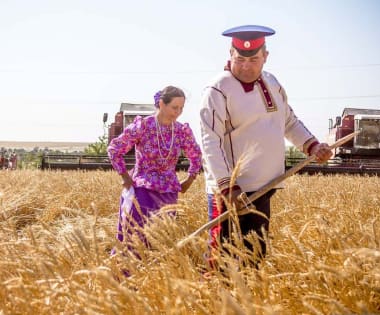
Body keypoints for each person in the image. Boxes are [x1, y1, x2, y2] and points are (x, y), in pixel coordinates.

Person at [199, 25, 332, 268]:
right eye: (239, 59)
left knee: (255, 261)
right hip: (231, 196)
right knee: (223, 265)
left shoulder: (272, 82)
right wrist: (228, 188)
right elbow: (210, 142)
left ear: (265, 57)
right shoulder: (217, 89)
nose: (246, 66)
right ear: (230, 54)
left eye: (253, 60)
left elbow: (288, 121)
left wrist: (312, 146)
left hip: (264, 190)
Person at [108, 85, 202, 255]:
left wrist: (190, 178)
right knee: (135, 239)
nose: (178, 112)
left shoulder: (181, 131)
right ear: (161, 104)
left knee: (161, 240)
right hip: (142, 192)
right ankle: (124, 277)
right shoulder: (143, 126)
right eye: (175, 107)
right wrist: (124, 176)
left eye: (181, 108)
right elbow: (114, 148)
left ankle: (154, 280)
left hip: (168, 194)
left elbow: (196, 154)